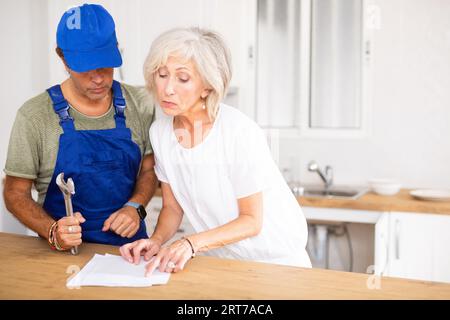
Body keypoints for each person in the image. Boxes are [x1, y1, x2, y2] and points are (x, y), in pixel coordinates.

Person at [120, 27, 311, 275]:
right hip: (223, 263)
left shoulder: (238, 132)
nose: (167, 88)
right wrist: (156, 241)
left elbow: (251, 221)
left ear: (208, 87)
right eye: (162, 74)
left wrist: (190, 243)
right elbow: (172, 208)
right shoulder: (160, 132)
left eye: (183, 78)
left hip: (277, 264)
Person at [3, 4, 157, 251]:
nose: (97, 78)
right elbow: (14, 193)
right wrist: (52, 231)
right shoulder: (34, 116)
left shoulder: (141, 104)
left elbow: (149, 171)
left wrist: (135, 207)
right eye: (85, 67)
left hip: (131, 252)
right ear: (62, 57)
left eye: (105, 65)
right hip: (61, 256)